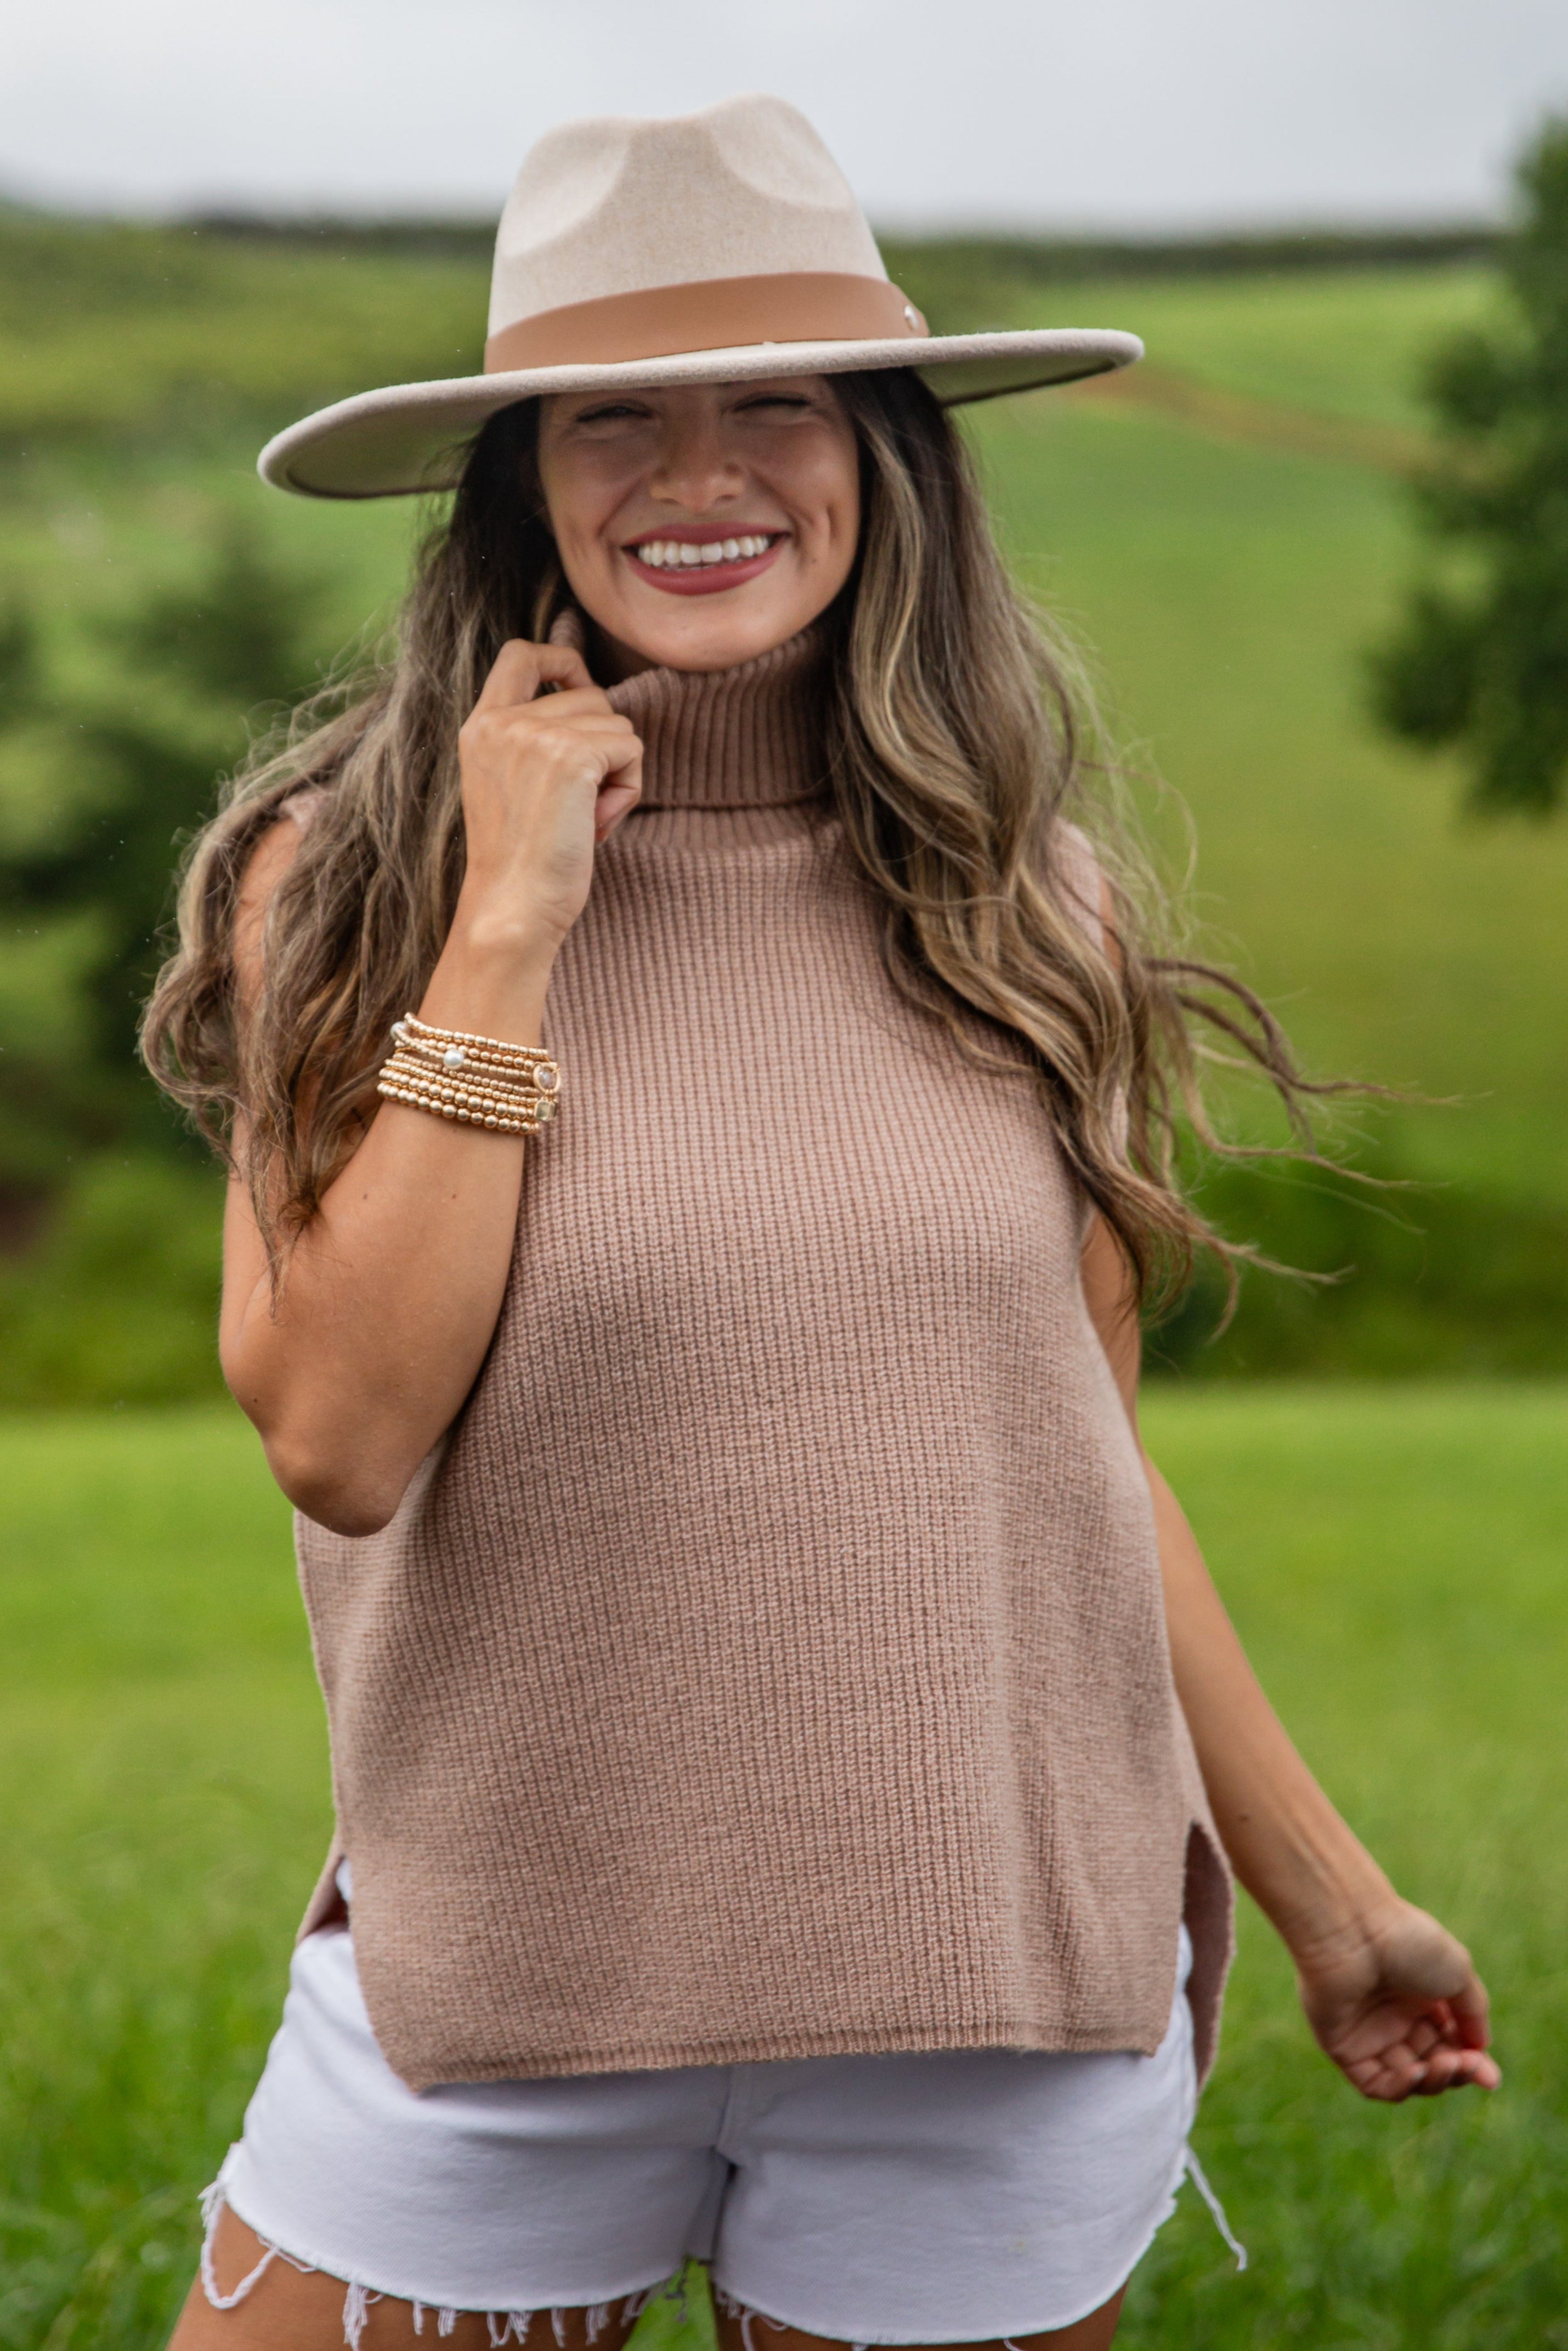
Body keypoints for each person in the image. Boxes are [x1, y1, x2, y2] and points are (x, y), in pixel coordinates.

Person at [145, 94, 1497, 2351]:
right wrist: (509, 919)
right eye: (616, 419)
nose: (703, 474)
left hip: (989, 1993)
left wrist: (1327, 1893)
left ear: (885, 453)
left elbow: (1071, 1449)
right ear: (524, 479)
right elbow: (342, 1435)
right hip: (502, 1962)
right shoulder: (351, 877)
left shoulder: (1018, 895)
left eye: (777, 400)